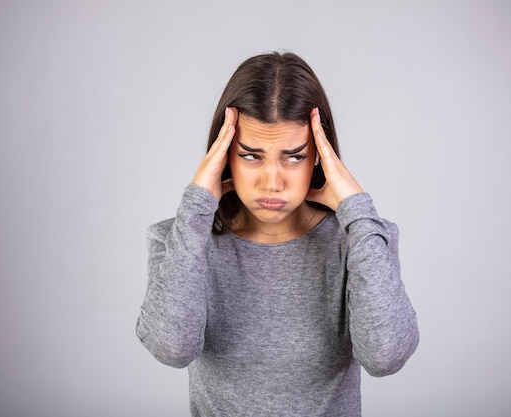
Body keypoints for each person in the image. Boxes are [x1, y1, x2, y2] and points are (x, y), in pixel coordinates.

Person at [136, 51, 419, 417]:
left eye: (295, 156)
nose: (272, 182)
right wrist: (196, 207)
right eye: (251, 156)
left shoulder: (360, 240)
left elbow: (386, 355)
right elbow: (171, 347)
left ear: (320, 155)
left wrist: (358, 211)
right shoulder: (181, 240)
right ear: (223, 156)